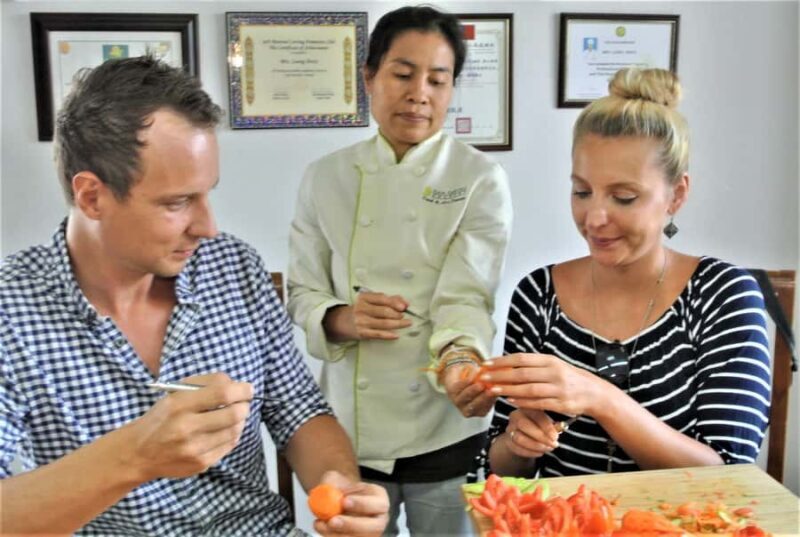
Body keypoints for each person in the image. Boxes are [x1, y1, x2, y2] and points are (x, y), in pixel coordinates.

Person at [0, 56, 388, 536]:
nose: (208, 227)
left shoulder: (232, 268)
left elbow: (299, 411)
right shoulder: (11, 309)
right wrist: (135, 455)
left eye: (207, 194)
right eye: (177, 202)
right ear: (92, 197)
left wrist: (342, 489)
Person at [477, 68, 771, 479]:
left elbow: (731, 474)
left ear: (677, 195)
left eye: (624, 197)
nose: (594, 218)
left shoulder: (722, 296)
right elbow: (499, 466)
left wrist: (600, 397)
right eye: (582, 192)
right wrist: (518, 445)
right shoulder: (538, 295)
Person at [287, 5, 512, 534]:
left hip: (443, 423)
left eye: (438, 79)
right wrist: (343, 318)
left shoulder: (479, 178)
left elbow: (467, 296)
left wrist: (461, 362)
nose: (420, 94)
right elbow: (302, 291)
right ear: (370, 77)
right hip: (349, 430)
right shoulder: (325, 178)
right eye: (403, 74)